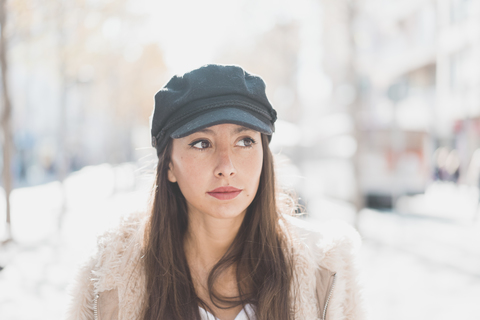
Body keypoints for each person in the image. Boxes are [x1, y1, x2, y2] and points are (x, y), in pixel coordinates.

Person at [66, 64, 366, 320]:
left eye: (245, 141)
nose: (226, 166)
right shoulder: (108, 280)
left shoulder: (327, 270)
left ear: (265, 154)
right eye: (201, 143)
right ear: (169, 165)